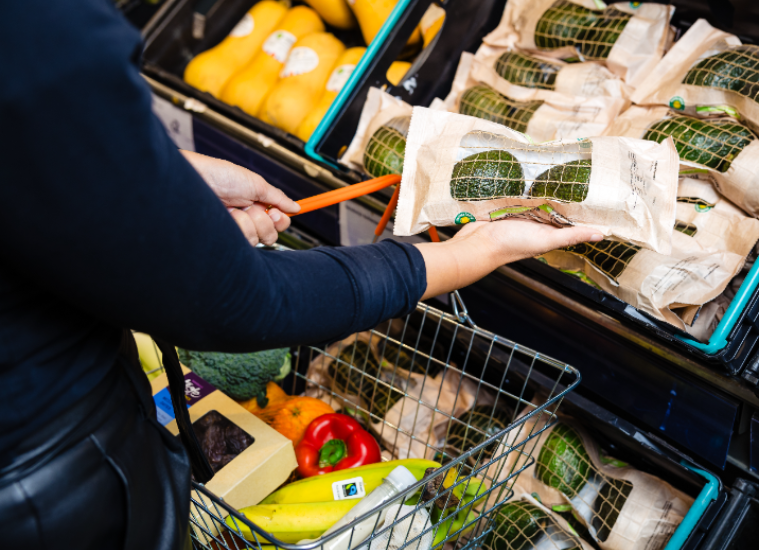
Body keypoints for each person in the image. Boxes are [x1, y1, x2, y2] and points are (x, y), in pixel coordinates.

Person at [0, 1, 601, 548]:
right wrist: (470, 253)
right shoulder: (45, 32)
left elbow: (37, 157)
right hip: (48, 492)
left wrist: (167, 180)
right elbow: (239, 301)